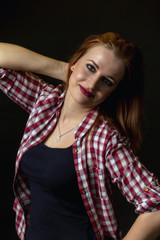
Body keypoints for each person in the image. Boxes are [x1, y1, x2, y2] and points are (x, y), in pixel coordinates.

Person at [0, 32, 160, 240]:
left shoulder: (105, 138)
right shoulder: (45, 104)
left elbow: (155, 205)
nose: (92, 84)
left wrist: (78, 72)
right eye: (90, 68)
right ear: (75, 61)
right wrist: (64, 69)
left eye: (107, 81)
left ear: (113, 90)